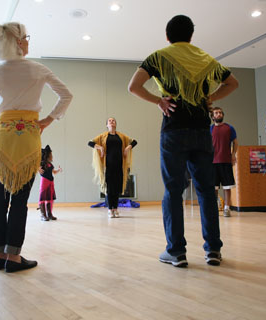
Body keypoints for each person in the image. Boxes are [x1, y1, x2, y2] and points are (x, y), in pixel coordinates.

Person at [0, 22, 72, 272]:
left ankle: (0, 255)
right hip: (30, 133)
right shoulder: (39, 69)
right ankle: (14, 257)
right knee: (19, 200)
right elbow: (66, 95)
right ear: (19, 42)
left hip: (3, 134)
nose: (29, 41)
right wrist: (49, 119)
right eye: (27, 37)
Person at [128, 15, 238, 267]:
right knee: (206, 191)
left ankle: (176, 252)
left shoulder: (158, 56)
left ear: (168, 36)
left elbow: (133, 87)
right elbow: (233, 82)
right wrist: (210, 97)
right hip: (201, 130)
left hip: (173, 129)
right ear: (191, 37)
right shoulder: (204, 58)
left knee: (173, 191)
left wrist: (158, 100)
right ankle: (213, 250)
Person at [88, 117, 137, 218]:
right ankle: (110, 209)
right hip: (108, 165)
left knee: (117, 187)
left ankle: (116, 208)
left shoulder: (121, 136)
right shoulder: (103, 136)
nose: (112, 122)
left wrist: (127, 148)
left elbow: (134, 142)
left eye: (113, 120)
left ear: (115, 124)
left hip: (119, 165)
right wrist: (100, 147)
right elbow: (90, 142)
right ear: (107, 125)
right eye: (109, 121)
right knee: (110, 188)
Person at [211, 107, 238, 217]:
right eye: (216, 113)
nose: (219, 114)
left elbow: (235, 143)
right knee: (214, 188)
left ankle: (227, 208)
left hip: (226, 161)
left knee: (227, 187)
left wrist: (233, 155)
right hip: (212, 162)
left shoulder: (229, 128)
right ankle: (214, 208)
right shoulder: (210, 129)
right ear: (212, 116)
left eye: (220, 112)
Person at [38, 145, 62, 221]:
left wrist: (58, 170)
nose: (52, 156)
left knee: (49, 197)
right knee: (43, 197)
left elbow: (53, 172)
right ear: (47, 155)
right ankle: (43, 215)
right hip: (44, 182)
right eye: (51, 154)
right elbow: (35, 167)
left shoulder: (50, 164)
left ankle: (49, 213)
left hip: (50, 182)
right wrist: (37, 168)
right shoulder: (42, 163)